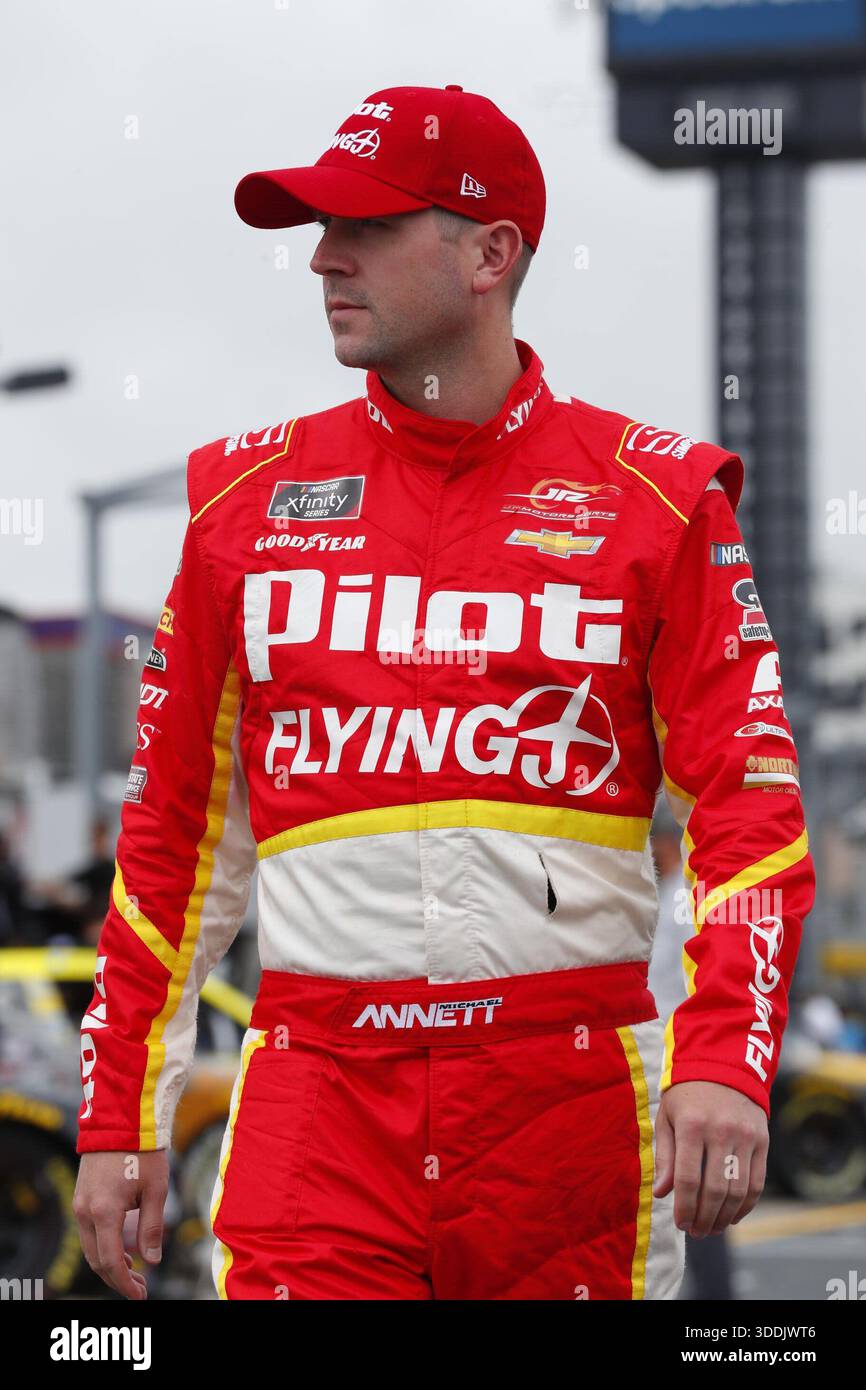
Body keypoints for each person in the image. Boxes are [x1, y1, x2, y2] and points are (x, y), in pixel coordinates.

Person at [73, 83, 816, 1301]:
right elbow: (172, 845)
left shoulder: (663, 499)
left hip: (569, 1110)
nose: (322, 257)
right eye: (319, 228)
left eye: (365, 226)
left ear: (490, 253)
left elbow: (750, 808)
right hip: (314, 1108)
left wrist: (726, 1057)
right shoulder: (237, 509)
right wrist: (117, 1114)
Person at [649, 811, 735, 1301]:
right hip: (664, 1060)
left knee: (695, 1194)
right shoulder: (666, 899)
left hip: (680, 1064)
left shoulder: (684, 902)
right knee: (680, 1196)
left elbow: (693, 986)